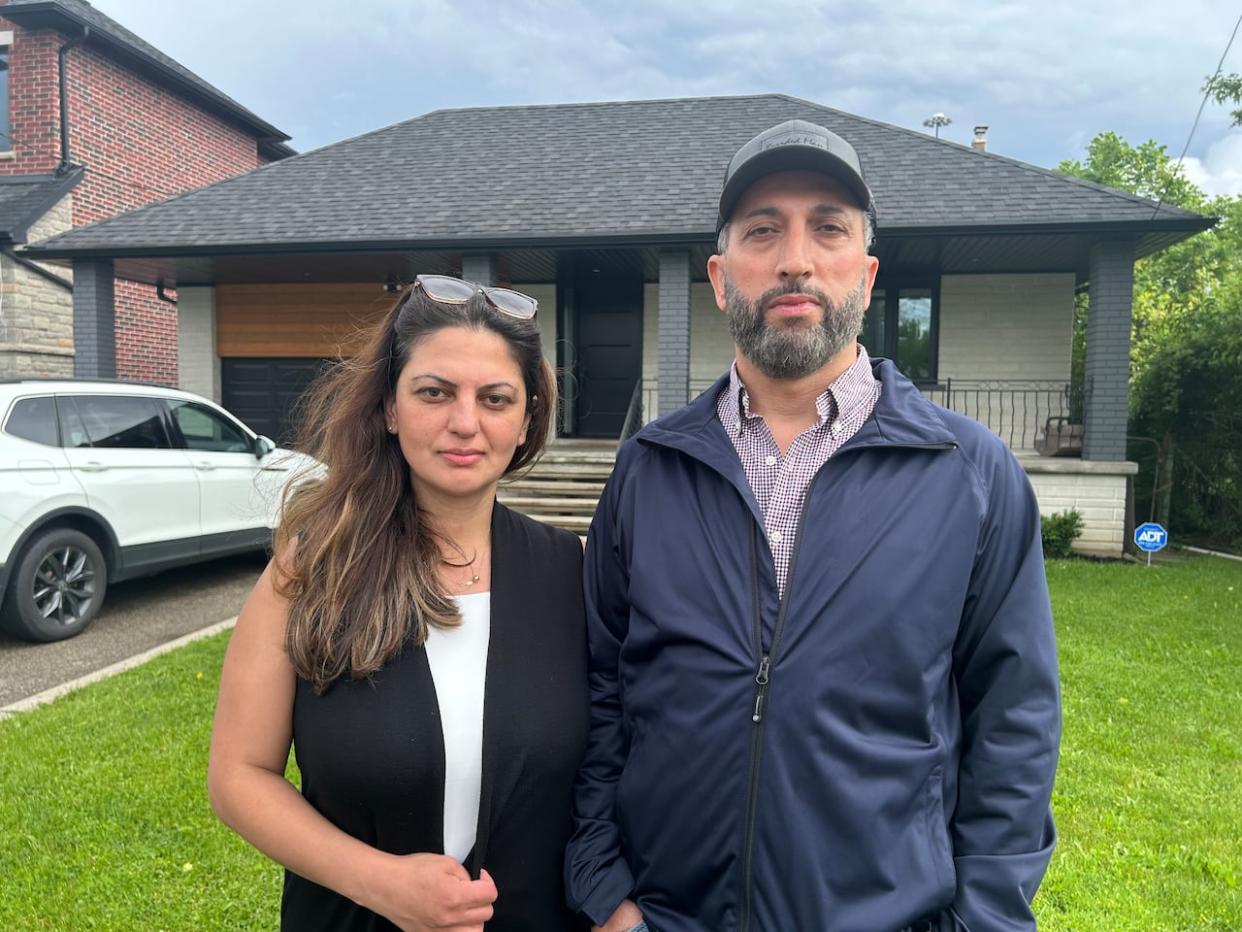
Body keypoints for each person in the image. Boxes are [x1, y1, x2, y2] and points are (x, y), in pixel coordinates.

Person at [565, 121, 1061, 932]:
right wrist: (604, 890)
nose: (796, 257)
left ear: (865, 275)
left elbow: (1015, 723)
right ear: (721, 278)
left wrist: (982, 919)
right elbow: (601, 694)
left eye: (827, 227)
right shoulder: (648, 470)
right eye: (764, 230)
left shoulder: (969, 474)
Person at [209, 276, 590, 931]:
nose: (464, 422)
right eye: (434, 392)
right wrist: (380, 883)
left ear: (527, 418)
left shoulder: (570, 572)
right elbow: (239, 775)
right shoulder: (314, 568)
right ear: (389, 407)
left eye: (494, 399)